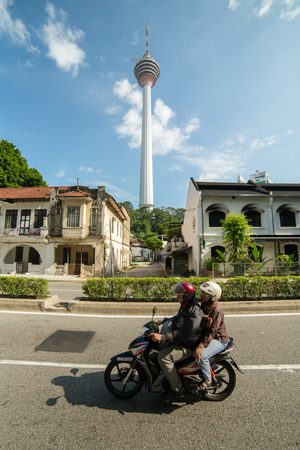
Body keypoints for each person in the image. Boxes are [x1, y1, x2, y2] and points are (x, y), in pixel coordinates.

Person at [149, 282, 205, 401]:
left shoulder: (194, 310)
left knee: (163, 357)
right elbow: (178, 318)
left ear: (186, 296)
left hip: (188, 345)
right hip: (182, 341)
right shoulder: (185, 306)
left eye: (179, 295)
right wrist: (163, 321)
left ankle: (177, 388)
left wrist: (163, 336)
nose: (176, 297)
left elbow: (185, 333)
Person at [193, 281, 229, 391]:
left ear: (213, 296)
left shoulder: (217, 309)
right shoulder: (205, 303)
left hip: (219, 339)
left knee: (201, 355)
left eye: (205, 294)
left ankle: (208, 379)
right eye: (203, 293)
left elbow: (212, 331)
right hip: (209, 336)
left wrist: (200, 346)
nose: (203, 295)